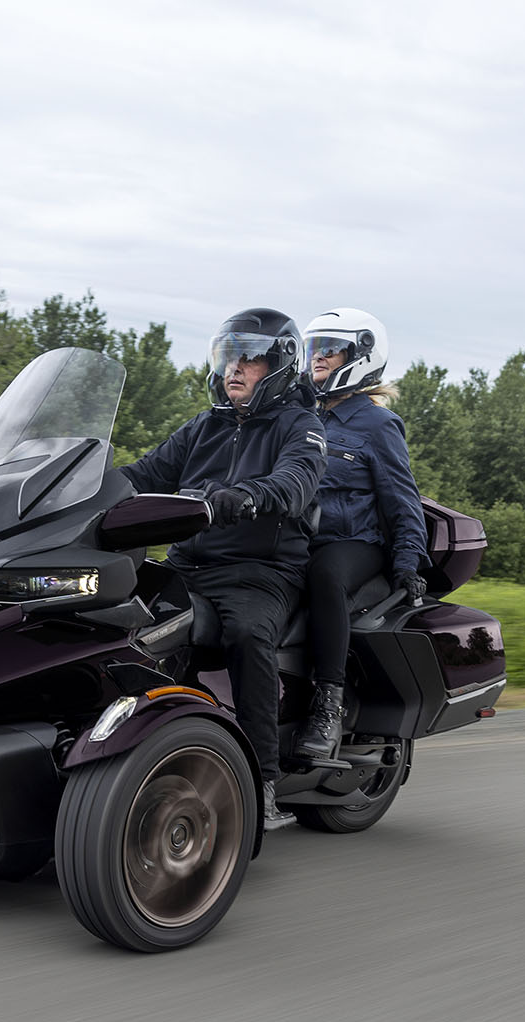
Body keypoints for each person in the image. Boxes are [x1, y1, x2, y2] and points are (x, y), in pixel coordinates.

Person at [117, 308, 326, 830]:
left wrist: (247, 497)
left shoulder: (302, 426)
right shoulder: (201, 428)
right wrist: (69, 489)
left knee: (248, 635)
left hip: (260, 572)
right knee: (122, 620)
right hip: (188, 564)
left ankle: (262, 783)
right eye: (230, 356)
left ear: (278, 366)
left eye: (250, 359)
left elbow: (296, 482)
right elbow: (140, 475)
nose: (235, 368)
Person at [293, 308, 429, 763]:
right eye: (314, 350)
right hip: (299, 538)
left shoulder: (377, 424)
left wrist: (408, 562)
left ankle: (327, 703)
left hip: (355, 543)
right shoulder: (300, 417)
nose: (318, 360)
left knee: (324, 575)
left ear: (361, 357)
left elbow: (402, 499)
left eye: (330, 350)